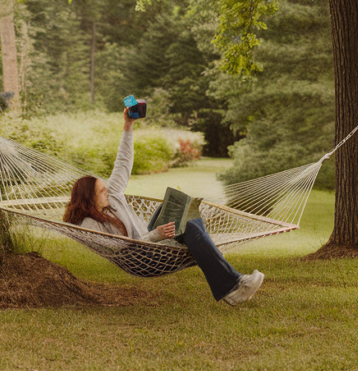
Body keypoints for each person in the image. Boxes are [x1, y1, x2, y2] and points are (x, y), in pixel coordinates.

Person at [63, 107, 264, 306]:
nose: (107, 191)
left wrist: (128, 125)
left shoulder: (112, 196)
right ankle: (233, 286)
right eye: (101, 191)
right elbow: (123, 249)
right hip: (140, 258)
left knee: (182, 207)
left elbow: (123, 162)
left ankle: (226, 278)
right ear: (88, 199)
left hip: (150, 241)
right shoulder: (90, 224)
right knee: (192, 228)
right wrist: (156, 235)